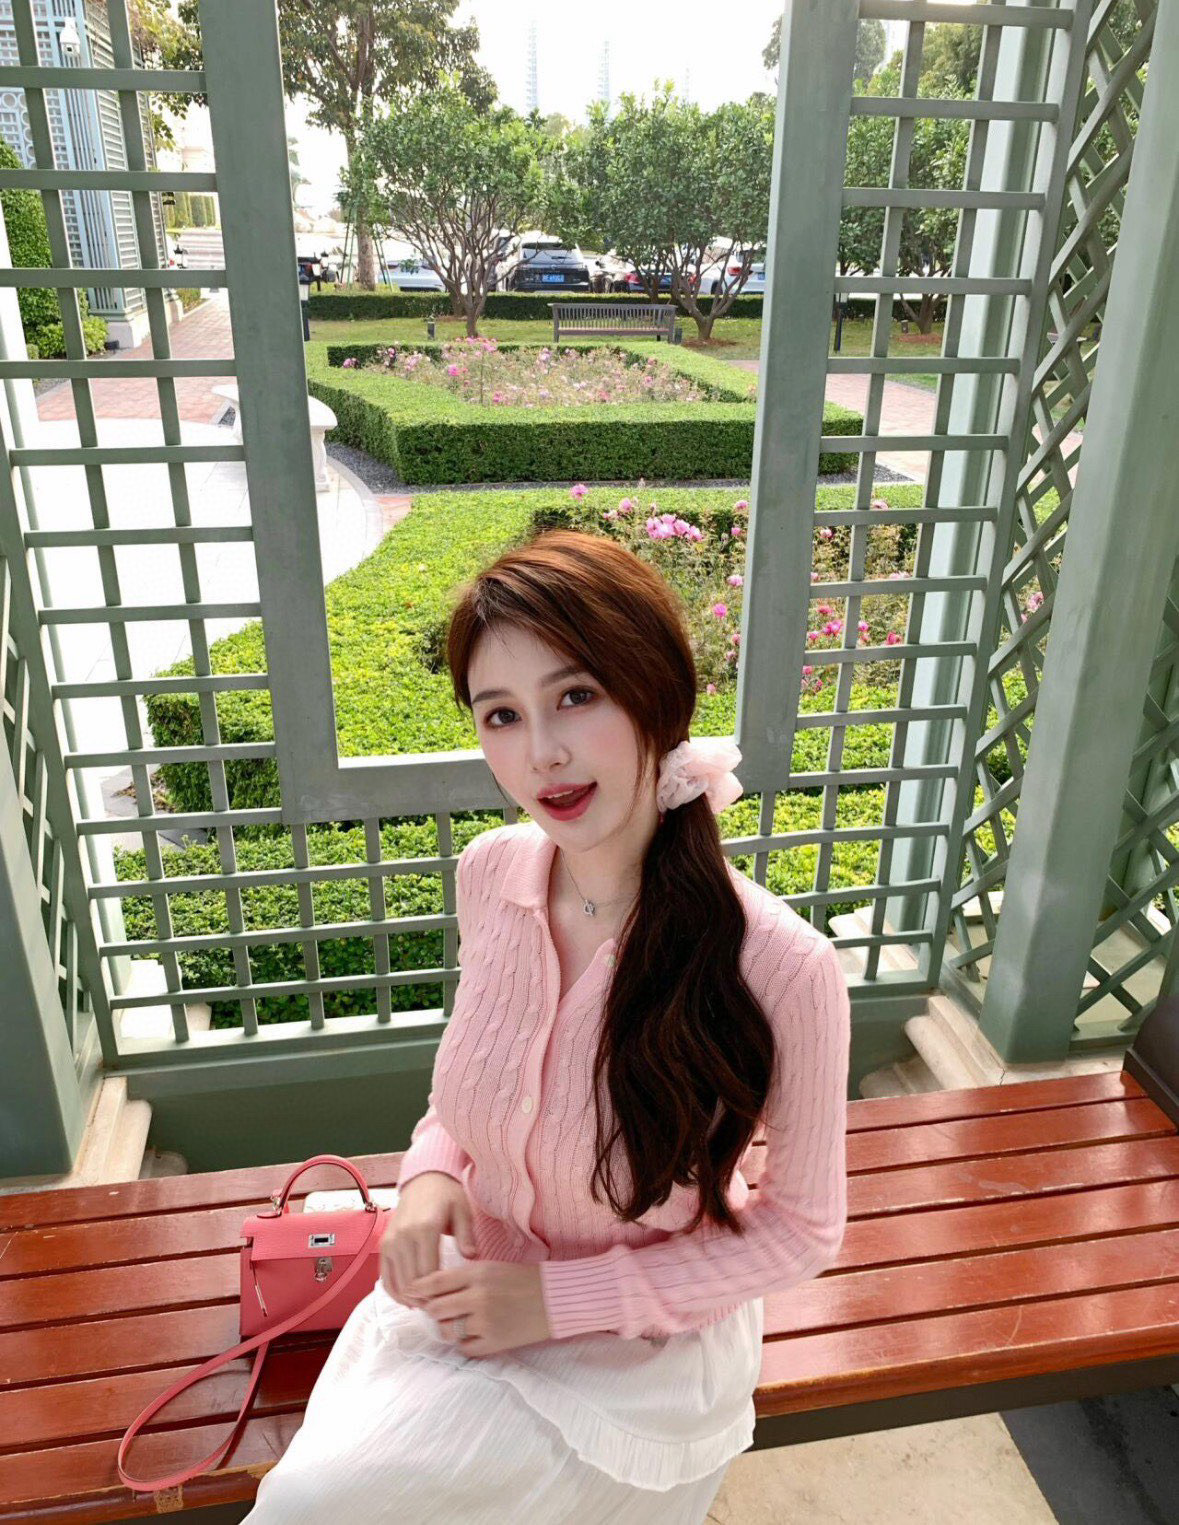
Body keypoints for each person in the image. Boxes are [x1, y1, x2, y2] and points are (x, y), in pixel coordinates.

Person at [241, 528, 851, 1523]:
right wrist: (429, 1180)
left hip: (640, 1353)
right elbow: (469, 1090)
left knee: (317, 1507)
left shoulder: (777, 962)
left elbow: (800, 1231)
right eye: (502, 714)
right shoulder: (491, 874)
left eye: (576, 696)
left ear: (656, 695)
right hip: (471, 1300)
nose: (543, 753)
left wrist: (557, 1302)